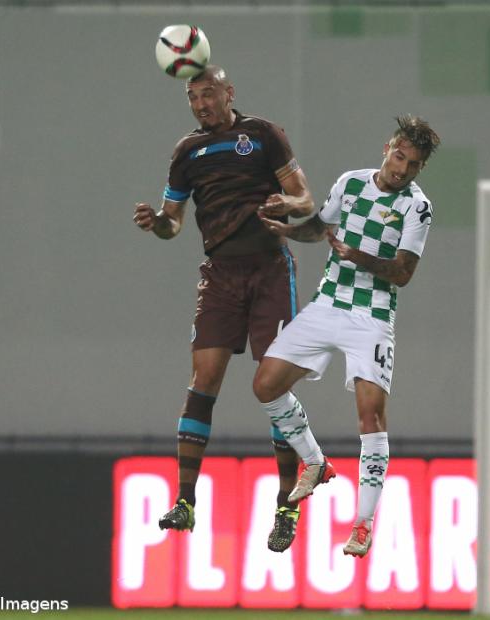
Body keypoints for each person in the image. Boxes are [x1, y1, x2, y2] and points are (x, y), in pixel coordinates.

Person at [132, 65, 315, 551]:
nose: (201, 105)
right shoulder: (186, 152)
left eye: (208, 94)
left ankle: (286, 507)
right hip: (220, 276)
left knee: (274, 388)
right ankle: (185, 500)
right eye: (193, 98)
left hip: (270, 270)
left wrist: (286, 204)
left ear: (228, 92)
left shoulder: (263, 135)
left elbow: (305, 198)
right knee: (203, 379)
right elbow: (173, 223)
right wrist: (157, 223)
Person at [252, 115, 440, 557]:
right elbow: (320, 228)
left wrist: (357, 255)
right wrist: (286, 229)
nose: (402, 170)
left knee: (371, 417)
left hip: (372, 317)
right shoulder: (351, 182)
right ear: (387, 148)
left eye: (413, 164)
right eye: (399, 157)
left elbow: (403, 272)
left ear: (420, 168)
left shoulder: (417, 207)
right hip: (328, 304)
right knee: (265, 385)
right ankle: (314, 462)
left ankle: (362, 524)